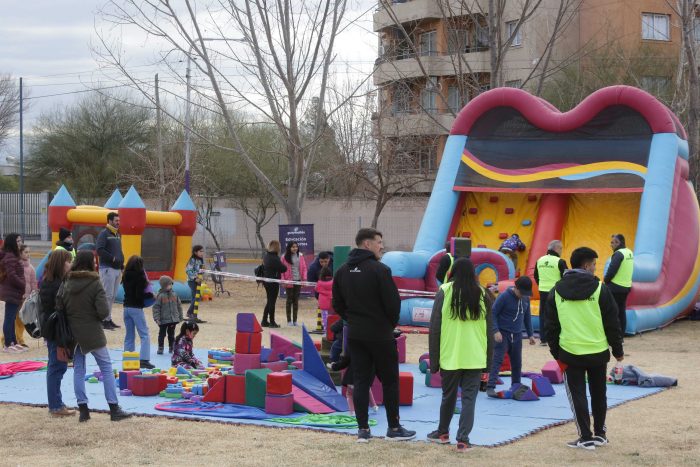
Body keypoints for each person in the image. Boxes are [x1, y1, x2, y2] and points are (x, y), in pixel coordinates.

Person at [333, 227, 415, 443]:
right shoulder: (380, 270)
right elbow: (393, 304)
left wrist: (352, 319)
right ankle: (394, 428)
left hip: (357, 334)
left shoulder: (341, 270)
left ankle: (363, 430)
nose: (382, 246)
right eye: (379, 242)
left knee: (361, 381)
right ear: (367, 244)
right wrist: (387, 324)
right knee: (389, 381)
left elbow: (337, 304)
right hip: (379, 334)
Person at [545, 246, 624, 450]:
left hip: (570, 353)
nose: (596, 269)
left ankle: (586, 437)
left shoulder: (555, 291)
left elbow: (550, 327)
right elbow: (612, 322)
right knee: (599, 394)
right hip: (598, 352)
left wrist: (557, 354)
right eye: (595, 265)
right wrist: (617, 350)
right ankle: (600, 434)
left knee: (577, 395)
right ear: (587, 266)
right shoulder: (600, 289)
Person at [427, 258, 494, 452]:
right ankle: (463, 439)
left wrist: (434, 361)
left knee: (448, 397)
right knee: (469, 399)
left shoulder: (445, 291)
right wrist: (488, 364)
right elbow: (489, 331)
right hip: (475, 355)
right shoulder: (483, 293)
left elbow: (435, 328)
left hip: (451, 354)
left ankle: (442, 433)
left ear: (453, 272)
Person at [64, 250, 131, 422]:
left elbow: (59, 305)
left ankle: (83, 410)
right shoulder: (95, 283)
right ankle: (114, 408)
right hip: (92, 333)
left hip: (74, 334)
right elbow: (103, 311)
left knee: (79, 369)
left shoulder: (67, 281)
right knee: (106, 368)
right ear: (92, 263)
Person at [486, 276, 536, 398]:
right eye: (522, 292)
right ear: (516, 288)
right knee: (497, 360)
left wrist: (530, 334)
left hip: (517, 334)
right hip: (503, 333)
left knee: (517, 362)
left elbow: (527, 316)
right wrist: (495, 331)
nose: (523, 295)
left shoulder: (525, 298)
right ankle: (490, 386)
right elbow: (493, 313)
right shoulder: (504, 296)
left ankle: (516, 385)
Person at [39, 249, 75, 417]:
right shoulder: (57, 284)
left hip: (53, 329)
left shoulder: (49, 280)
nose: (71, 264)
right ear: (61, 264)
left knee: (55, 366)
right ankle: (55, 406)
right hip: (57, 331)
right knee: (56, 367)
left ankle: (56, 402)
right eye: (68, 261)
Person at [122, 255, 154, 369]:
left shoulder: (125, 275)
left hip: (126, 307)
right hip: (136, 308)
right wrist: (151, 295)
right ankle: (144, 359)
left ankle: (128, 359)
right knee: (144, 334)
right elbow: (139, 295)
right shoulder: (140, 276)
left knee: (129, 335)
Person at [534, 240, 567, 345]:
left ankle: (543, 339)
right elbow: (566, 277)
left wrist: (541, 284)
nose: (561, 251)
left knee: (543, 315)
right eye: (561, 248)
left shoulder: (539, 260)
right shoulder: (560, 261)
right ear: (557, 249)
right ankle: (556, 338)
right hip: (556, 291)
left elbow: (536, 276)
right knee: (557, 315)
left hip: (543, 291)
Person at [96, 212, 124, 330]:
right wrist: (112, 258)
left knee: (112, 296)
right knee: (107, 295)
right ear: (110, 221)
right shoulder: (104, 234)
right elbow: (99, 250)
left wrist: (122, 264)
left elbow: (119, 250)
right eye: (116, 220)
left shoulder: (117, 234)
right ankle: (103, 320)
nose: (118, 223)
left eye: (119, 220)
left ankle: (108, 319)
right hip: (107, 268)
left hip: (117, 269)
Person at [0, 233, 26, 353]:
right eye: (18, 241)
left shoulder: (13, 255)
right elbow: (12, 275)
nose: (20, 243)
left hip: (14, 291)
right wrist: (22, 284)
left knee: (12, 317)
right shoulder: (10, 256)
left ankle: (13, 342)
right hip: (12, 291)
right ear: (12, 242)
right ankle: (7, 344)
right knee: (9, 318)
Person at [604, 234, 633, 335]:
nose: (611, 244)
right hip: (626, 287)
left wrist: (606, 280)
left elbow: (612, 270)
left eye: (612, 242)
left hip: (615, 287)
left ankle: (613, 334)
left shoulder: (618, 254)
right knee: (621, 311)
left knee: (611, 312)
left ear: (618, 243)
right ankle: (621, 335)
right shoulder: (629, 252)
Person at [152, 275, 183, 355]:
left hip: (172, 320)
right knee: (162, 334)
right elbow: (156, 308)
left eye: (171, 284)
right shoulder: (160, 296)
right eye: (169, 284)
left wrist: (180, 316)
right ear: (164, 286)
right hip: (163, 320)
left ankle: (171, 347)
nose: (171, 286)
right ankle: (160, 347)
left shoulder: (174, 294)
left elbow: (179, 306)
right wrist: (157, 319)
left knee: (171, 334)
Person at [16, 245, 38, 349]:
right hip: (17, 296)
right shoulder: (16, 265)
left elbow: (34, 282)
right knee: (13, 318)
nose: (28, 254)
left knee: (22, 319)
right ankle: (9, 339)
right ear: (20, 253)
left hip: (27, 297)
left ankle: (20, 339)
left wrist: (34, 293)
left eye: (28, 252)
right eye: (25, 252)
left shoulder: (31, 268)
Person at [281, 241, 307, 327]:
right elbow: (282, 271)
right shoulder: (284, 257)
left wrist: (304, 280)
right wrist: (283, 281)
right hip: (289, 281)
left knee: (296, 301)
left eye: (296, 246)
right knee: (289, 301)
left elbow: (304, 268)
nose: (295, 248)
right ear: (289, 248)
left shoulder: (300, 256)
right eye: (293, 247)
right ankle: (289, 320)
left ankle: (295, 320)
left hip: (298, 281)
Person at [261, 240, 287, 328]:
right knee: (272, 302)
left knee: (269, 301)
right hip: (273, 282)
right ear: (277, 248)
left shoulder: (266, 256)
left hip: (266, 281)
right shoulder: (274, 258)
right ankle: (272, 322)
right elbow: (283, 268)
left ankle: (264, 320)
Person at [185, 245, 205, 323]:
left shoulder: (200, 260)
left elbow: (200, 270)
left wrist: (202, 275)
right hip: (192, 281)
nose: (202, 253)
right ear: (195, 252)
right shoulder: (192, 260)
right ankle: (190, 313)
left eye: (202, 251)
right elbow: (188, 270)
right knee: (196, 296)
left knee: (196, 297)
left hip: (198, 281)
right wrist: (195, 277)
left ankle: (192, 314)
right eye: (200, 251)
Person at [314, 266, 333, 332]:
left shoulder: (320, 283)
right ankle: (331, 331)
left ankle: (325, 330)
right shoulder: (333, 282)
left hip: (323, 302)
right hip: (331, 302)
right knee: (331, 317)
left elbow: (316, 289)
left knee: (324, 318)